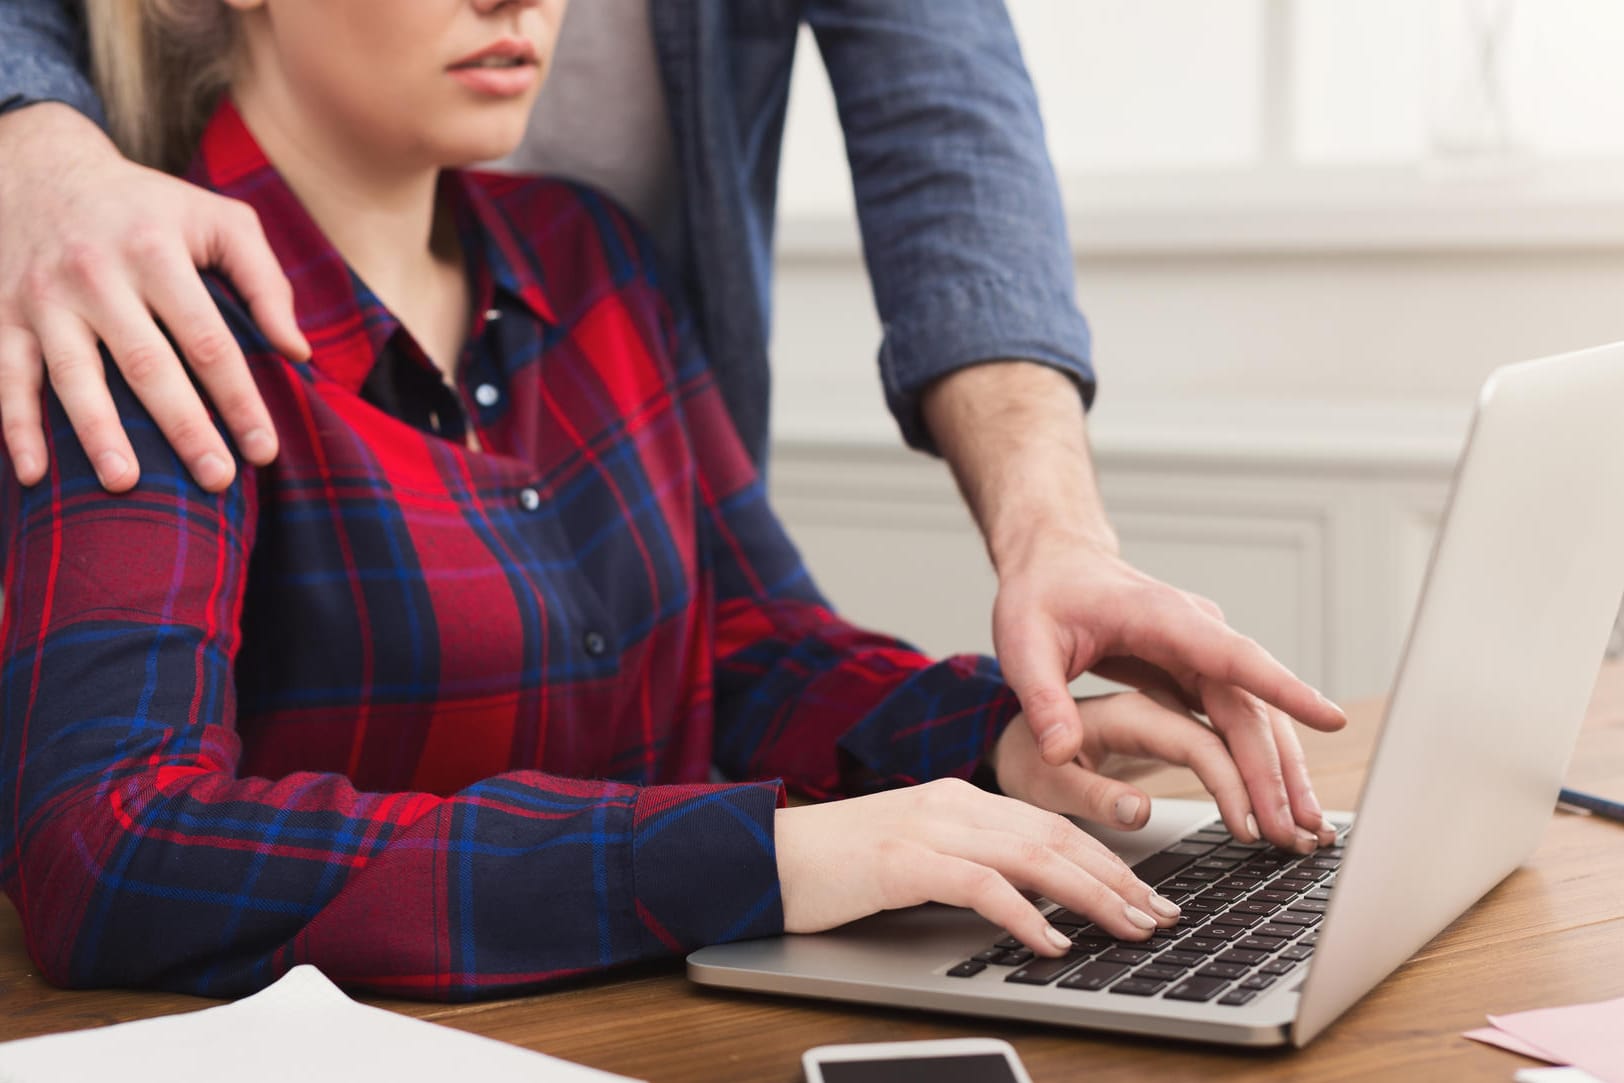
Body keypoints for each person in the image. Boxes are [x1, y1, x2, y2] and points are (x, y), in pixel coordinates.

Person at [0, 0, 1338, 1000]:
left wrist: (1006, 735)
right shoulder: (133, 318)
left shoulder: (591, 255)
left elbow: (746, 647)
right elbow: (108, 849)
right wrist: (765, 856)